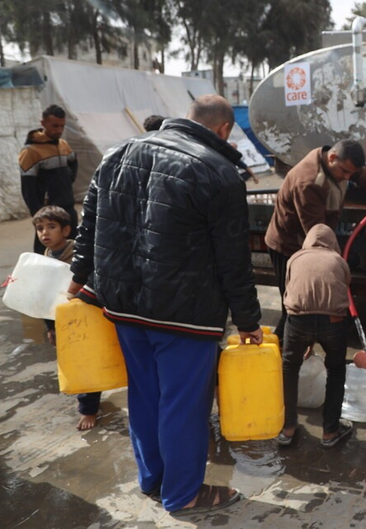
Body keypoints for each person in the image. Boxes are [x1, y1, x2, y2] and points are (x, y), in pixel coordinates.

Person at [69, 94, 262, 517]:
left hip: (123, 305)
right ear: (224, 130)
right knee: (183, 405)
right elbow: (233, 258)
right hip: (184, 314)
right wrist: (248, 320)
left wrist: (78, 277)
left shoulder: (119, 151)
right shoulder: (219, 172)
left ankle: (153, 479)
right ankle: (184, 494)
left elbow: (89, 220)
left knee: (146, 396)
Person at [264, 140, 366, 339]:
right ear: (331, 158)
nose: (348, 177)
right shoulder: (308, 182)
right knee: (293, 303)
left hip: (315, 234)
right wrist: (335, 263)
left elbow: (357, 172)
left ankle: (293, 340)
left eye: (350, 173)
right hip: (289, 245)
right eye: (345, 172)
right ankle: (285, 350)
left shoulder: (337, 162)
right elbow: (316, 233)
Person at [277, 224, 353, 448]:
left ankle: (288, 427)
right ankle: (330, 431)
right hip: (334, 322)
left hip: (298, 320)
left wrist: (307, 338)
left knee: (289, 367)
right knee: (336, 369)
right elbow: (344, 284)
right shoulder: (338, 260)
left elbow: (293, 291)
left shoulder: (295, 258)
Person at [32, 205, 101, 431]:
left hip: (87, 317)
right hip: (65, 321)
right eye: (40, 228)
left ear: (66, 230)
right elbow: (47, 298)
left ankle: (89, 409)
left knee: (88, 361)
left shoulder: (78, 254)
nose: (44, 233)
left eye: (51, 227)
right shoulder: (45, 257)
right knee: (78, 363)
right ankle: (88, 404)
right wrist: (50, 328)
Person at [19, 105, 78, 254]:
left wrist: (66, 182)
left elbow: (73, 161)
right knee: (45, 255)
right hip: (49, 213)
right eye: (55, 126)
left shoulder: (63, 144)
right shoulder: (30, 152)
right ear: (43, 123)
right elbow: (28, 188)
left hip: (68, 208)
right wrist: (38, 215)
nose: (59, 130)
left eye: (62, 126)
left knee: (74, 252)